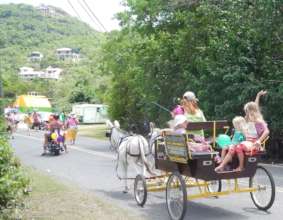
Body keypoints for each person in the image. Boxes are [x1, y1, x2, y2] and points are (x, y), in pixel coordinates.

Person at [215, 102, 269, 172]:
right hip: (247, 142)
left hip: (254, 143)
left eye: (247, 111)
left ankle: (241, 167)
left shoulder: (258, 122)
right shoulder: (248, 120)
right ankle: (222, 165)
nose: (246, 113)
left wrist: (259, 141)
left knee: (238, 147)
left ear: (252, 111)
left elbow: (267, 131)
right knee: (232, 147)